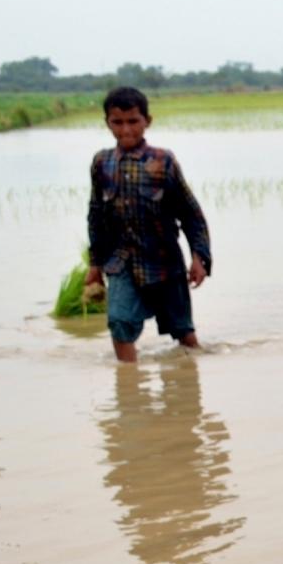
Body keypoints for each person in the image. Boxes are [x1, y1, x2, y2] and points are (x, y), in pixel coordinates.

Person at [84, 86, 213, 363]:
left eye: (133, 121)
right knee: (119, 322)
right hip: (121, 262)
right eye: (117, 122)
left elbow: (191, 214)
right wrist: (94, 266)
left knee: (182, 331)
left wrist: (199, 257)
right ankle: (128, 385)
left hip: (163, 262)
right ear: (107, 123)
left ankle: (192, 376)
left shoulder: (163, 162)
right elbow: (96, 216)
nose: (126, 129)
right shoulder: (101, 164)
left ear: (147, 121)